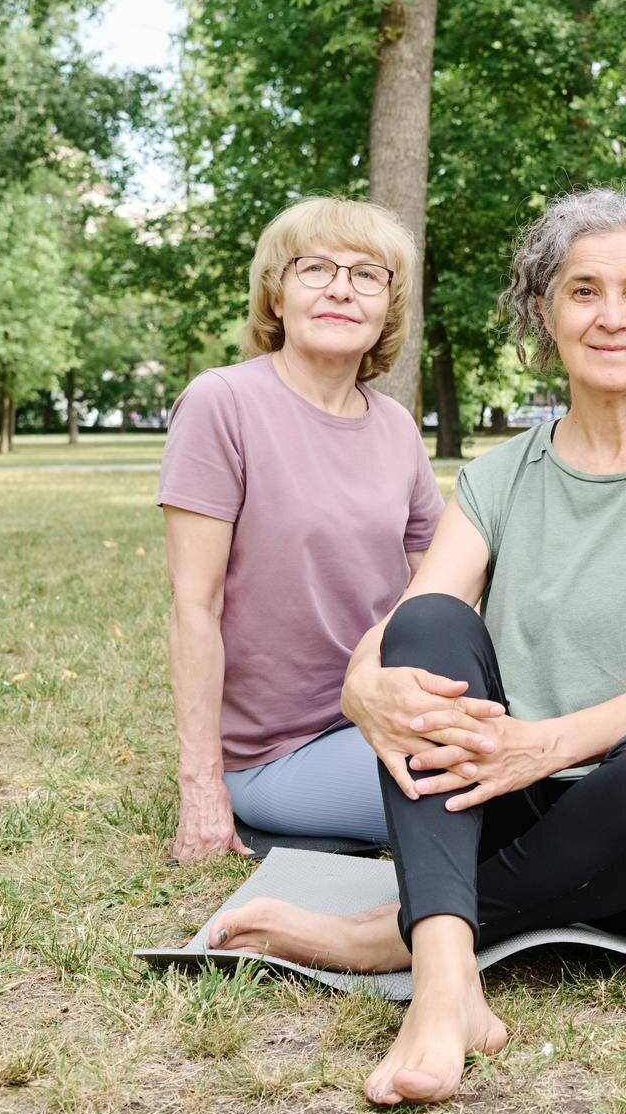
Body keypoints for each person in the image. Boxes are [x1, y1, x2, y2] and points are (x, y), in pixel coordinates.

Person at [204, 190, 626, 1107]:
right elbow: (422, 608)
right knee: (430, 631)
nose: (611, 316)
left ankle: (391, 935)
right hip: (497, 800)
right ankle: (444, 985)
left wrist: (537, 745)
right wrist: (364, 684)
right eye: (583, 290)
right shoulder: (501, 473)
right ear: (543, 312)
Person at [159, 197, 440, 862]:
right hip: (278, 751)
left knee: (530, 752)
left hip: (381, 710)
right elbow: (193, 607)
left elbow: (440, 572)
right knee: (486, 789)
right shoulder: (220, 403)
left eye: (368, 274)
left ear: (387, 308)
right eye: (315, 268)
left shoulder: (396, 425)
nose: (342, 287)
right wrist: (201, 787)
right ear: (275, 296)